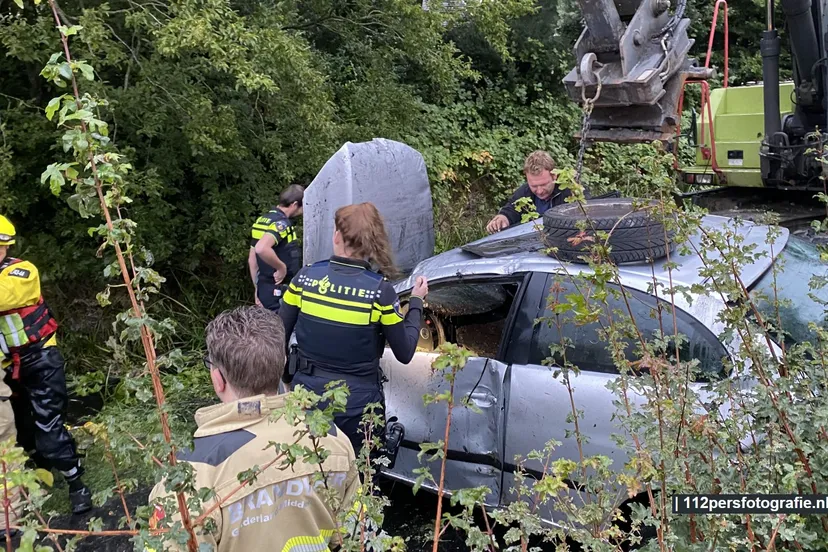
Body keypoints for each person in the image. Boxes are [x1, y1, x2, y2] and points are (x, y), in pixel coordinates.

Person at [147, 306, 359, 551]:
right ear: (282, 365)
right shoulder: (332, 439)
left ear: (217, 379)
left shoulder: (191, 474)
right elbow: (355, 535)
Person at [279, 202, 428, 457]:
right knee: (358, 482)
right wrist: (416, 303)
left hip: (306, 398)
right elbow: (404, 352)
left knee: (308, 476)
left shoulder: (304, 279)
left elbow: (277, 335)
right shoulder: (380, 291)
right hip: (358, 407)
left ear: (337, 236)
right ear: (372, 243)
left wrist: (288, 379)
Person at [0, 215, 92, 514]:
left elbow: (5, 296)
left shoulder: (21, 272)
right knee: (21, 430)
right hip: (6, 369)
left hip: (41, 358)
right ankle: (33, 480)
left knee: (48, 427)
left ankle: (77, 484)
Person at [485, 150, 572, 234]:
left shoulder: (571, 190)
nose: (540, 191)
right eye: (534, 186)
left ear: (554, 176)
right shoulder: (525, 192)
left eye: (544, 184)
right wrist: (502, 219)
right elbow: (511, 210)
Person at [249, 185, 304, 312]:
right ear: (295, 204)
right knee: (281, 329)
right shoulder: (282, 224)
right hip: (278, 291)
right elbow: (261, 248)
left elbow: (252, 260)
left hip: (264, 288)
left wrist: (257, 287)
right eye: (303, 207)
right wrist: (281, 267)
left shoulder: (262, 220)